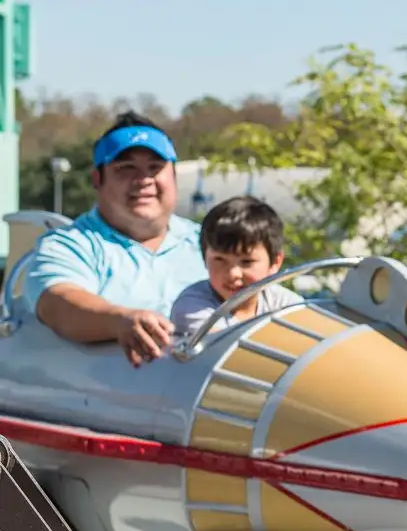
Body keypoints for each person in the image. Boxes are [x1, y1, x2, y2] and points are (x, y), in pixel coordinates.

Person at [22, 111, 207, 367]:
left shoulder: (209, 242)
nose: (143, 180)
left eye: (155, 167)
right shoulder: (69, 245)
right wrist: (120, 320)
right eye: (126, 168)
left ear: (173, 176)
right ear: (97, 179)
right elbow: (59, 304)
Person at [170, 196, 303, 336]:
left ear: (275, 262)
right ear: (204, 257)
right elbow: (230, 346)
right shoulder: (191, 308)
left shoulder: (285, 303)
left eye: (247, 262)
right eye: (220, 259)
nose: (233, 274)